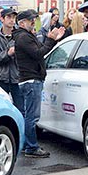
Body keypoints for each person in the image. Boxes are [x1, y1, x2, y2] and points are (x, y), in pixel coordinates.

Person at [13, 9, 66, 158]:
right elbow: (38, 53)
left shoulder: (25, 36)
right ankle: (31, 147)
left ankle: (27, 144)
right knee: (32, 116)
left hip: (30, 79)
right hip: (31, 80)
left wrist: (51, 39)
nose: (33, 22)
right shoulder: (23, 37)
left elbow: (38, 51)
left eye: (34, 20)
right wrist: (50, 39)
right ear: (22, 23)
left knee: (29, 115)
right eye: (31, 20)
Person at [0, 9, 21, 107]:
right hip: (2, 78)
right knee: (1, 107)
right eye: (9, 17)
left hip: (18, 78)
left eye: (14, 17)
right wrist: (8, 54)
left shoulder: (19, 35)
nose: (12, 20)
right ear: (2, 19)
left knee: (20, 107)